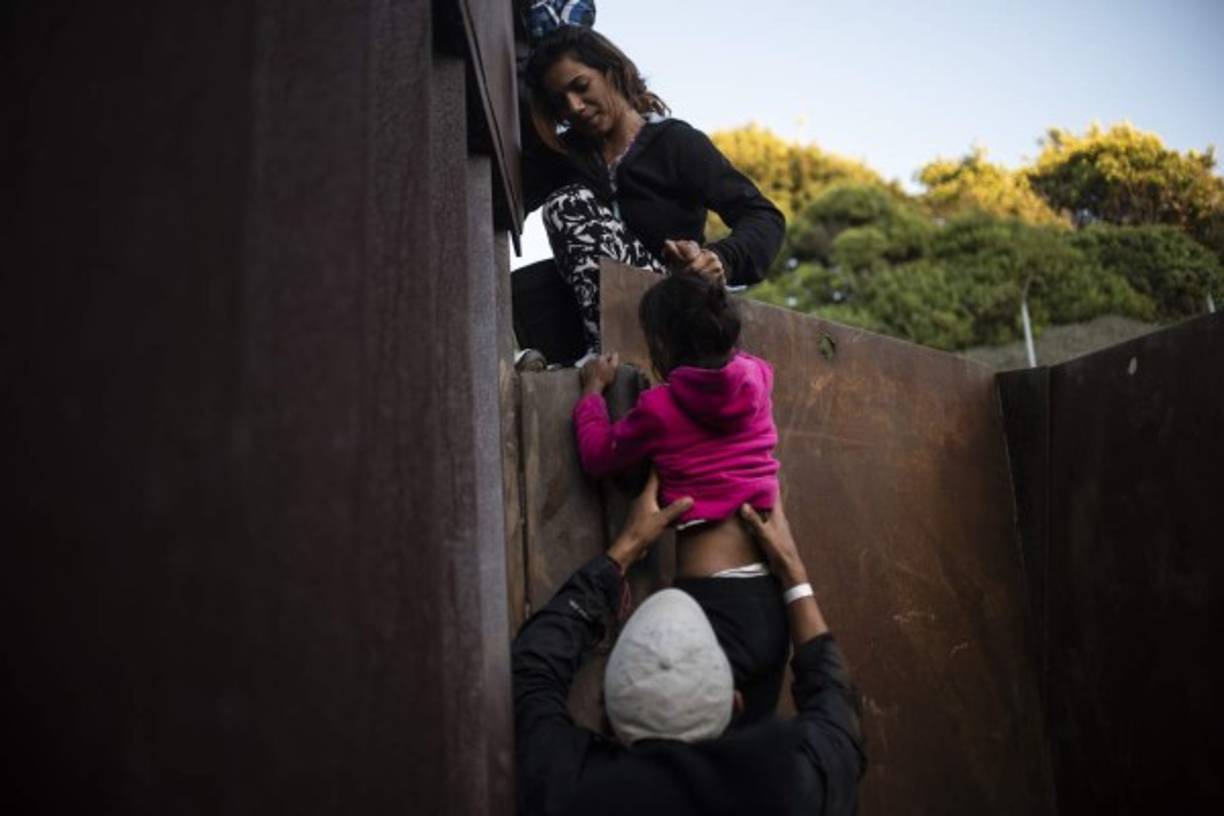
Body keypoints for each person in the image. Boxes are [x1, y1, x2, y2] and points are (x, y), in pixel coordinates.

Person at [512, 473, 866, 816]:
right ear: (736, 704)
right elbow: (836, 710)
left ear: (606, 717)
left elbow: (532, 667)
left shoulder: (570, 791)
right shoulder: (789, 793)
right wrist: (791, 568)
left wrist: (626, 548)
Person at [572, 271, 787, 723]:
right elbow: (732, 359)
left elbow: (597, 456)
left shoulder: (659, 409)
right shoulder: (759, 378)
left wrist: (592, 392)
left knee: (689, 757)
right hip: (771, 600)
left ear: (662, 347)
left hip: (712, 604)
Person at [522, 26, 785, 352]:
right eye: (560, 101)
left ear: (611, 72)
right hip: (593, 314)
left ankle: (615, 352)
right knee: (520, 291)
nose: (574, 106)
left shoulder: (675, 143)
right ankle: (592, 353)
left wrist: (720, 258)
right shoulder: (564, 156)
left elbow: (764, 217)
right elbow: (503, 203)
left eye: (581, 86)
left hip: (672, 302)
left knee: (568, 203)